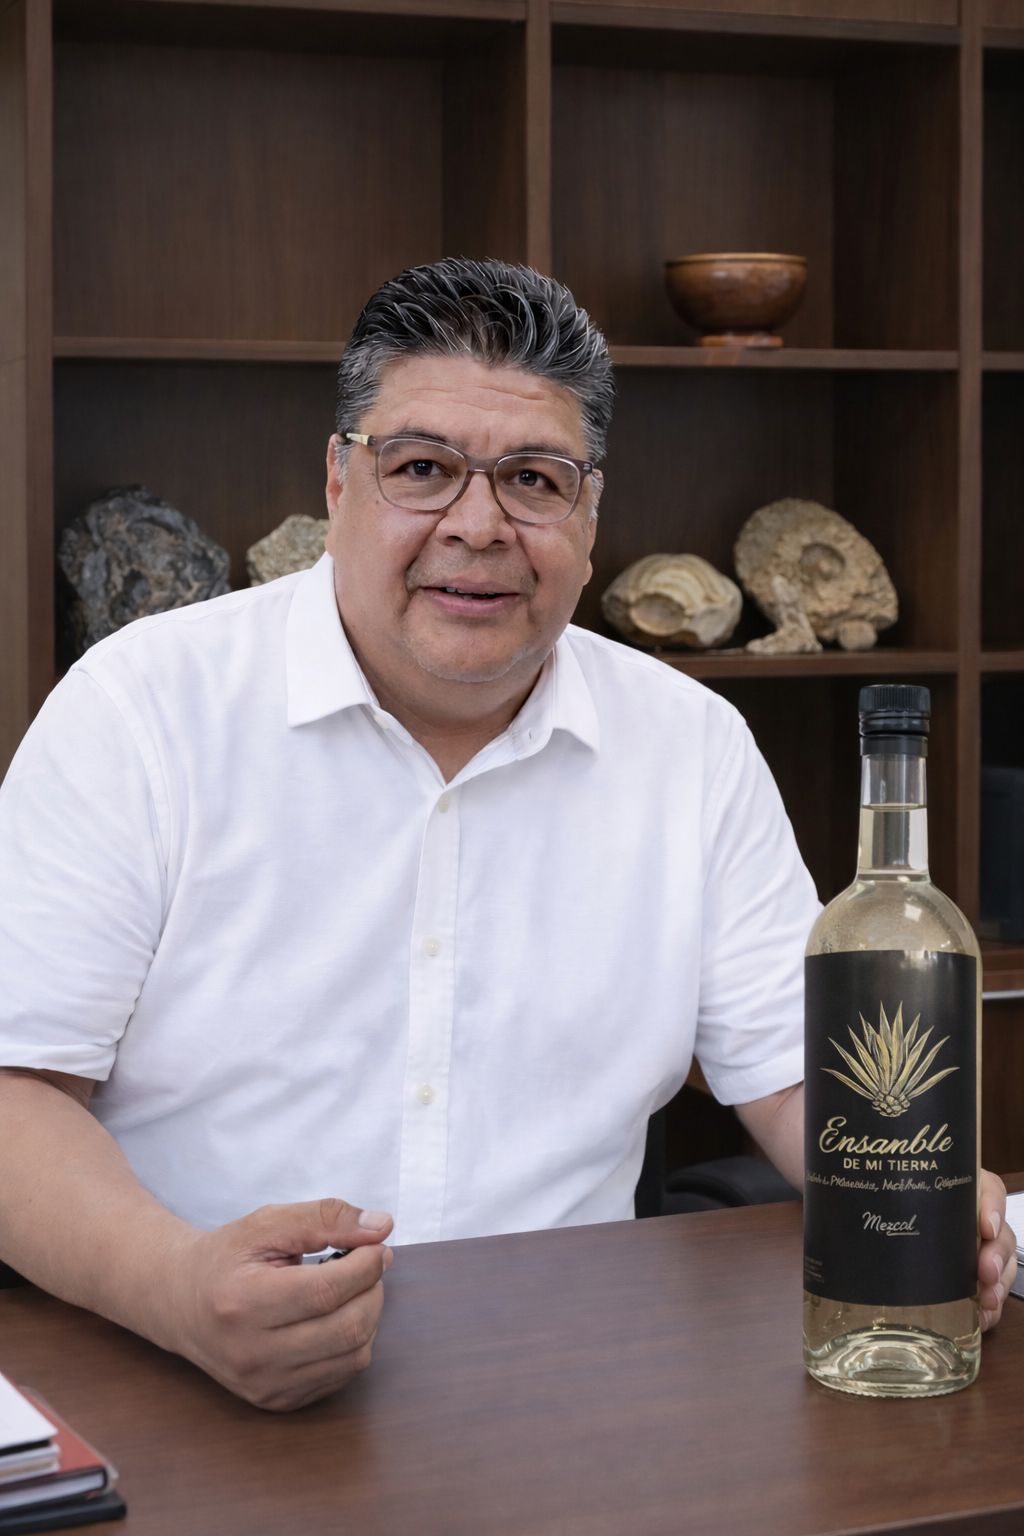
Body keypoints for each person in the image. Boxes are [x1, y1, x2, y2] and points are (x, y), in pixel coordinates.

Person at [0, 259, 1015, 1411]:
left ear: (590, 512)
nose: (477, 527)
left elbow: (792, 1077)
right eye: (421, 469)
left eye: (533, 480)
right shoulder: (143, 708)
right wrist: (178, 1288)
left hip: (570, 1389)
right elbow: (16, 1092)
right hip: (180, 1379)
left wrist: (919, 1197)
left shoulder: (689, 745)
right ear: (337, 481)